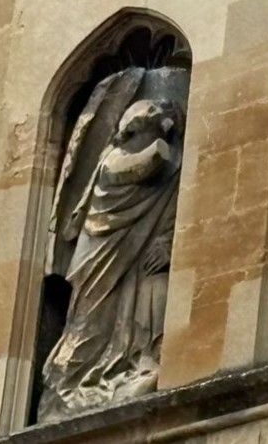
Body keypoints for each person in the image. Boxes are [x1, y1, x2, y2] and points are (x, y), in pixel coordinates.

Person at [39, 96, 182, 419]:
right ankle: (68, 384)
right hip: (98, 256)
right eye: (147, 126)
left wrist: (168, 242)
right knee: (89, 323)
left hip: (135, 256)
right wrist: (163, 138)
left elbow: (172, 211)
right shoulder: (113, 160)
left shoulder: (169, 171)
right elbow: (146, 163)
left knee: (138, 309)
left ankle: (134, 364)